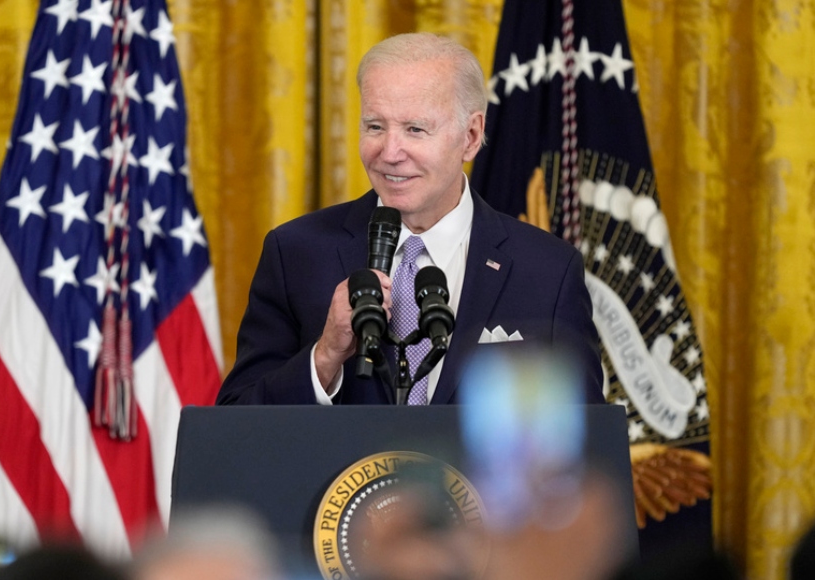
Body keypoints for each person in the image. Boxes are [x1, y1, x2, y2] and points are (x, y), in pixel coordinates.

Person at [216, 32, 603, 406]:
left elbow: (587, 449)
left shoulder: (547, 272)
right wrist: (325, 357)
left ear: (470, 136)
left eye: (415, 129)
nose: (390, 152)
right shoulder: (296, 253)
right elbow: (236, 428)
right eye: (375, 127)